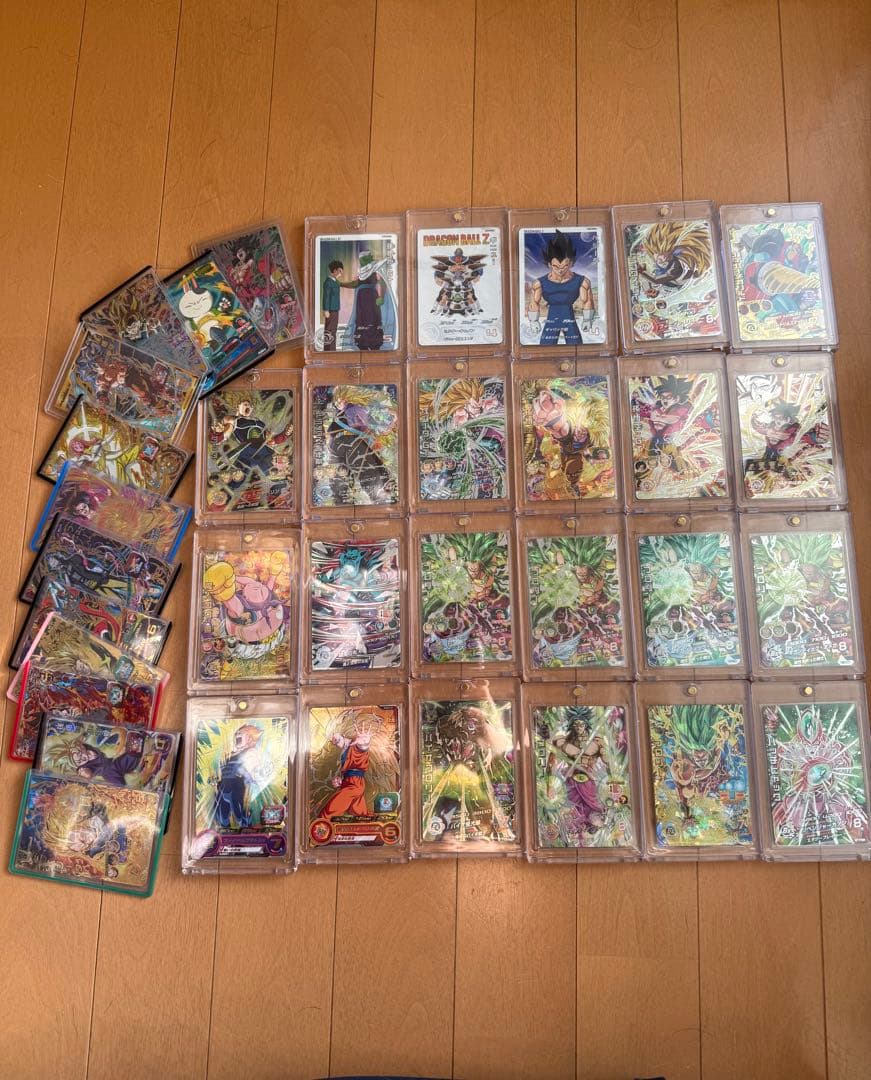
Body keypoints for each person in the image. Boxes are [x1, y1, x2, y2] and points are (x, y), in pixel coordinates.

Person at [528, 230, 594, 345]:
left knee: (577, 349)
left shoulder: (583, 281)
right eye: (556, 266)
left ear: (571, 263)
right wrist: (533, 321)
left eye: (564, 266)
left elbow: (587, 300)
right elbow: (534, 302)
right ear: (549, 264)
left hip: (570, 320)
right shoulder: (538, 283)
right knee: (545, 349)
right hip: (551, 321)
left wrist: (588, 319)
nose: (560, 270)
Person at [321, 260, 344, 350]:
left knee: (333, 330)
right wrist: (326, 310)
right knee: (329, 330)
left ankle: (332, 350)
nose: (341, 274)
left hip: (335, 309)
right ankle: (328, 350)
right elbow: (326, 297)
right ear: (334, 271)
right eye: (340, 271)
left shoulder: (335, 282)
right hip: (330, 310)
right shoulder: (328, 282)